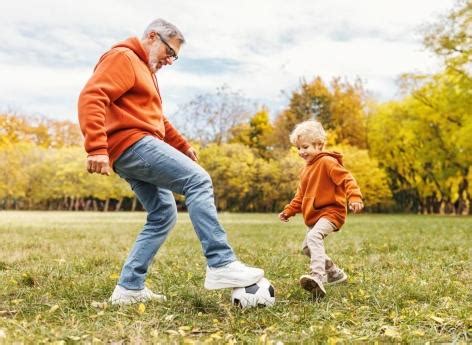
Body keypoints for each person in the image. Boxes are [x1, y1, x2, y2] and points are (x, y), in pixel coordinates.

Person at [78, 18, 263, 305]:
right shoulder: (124, 57)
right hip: (132, 143)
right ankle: (221, 263)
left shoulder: (145, 71)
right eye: (170, 52)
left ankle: (129, 288)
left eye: (175, 56)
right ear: (153, 37)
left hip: (134, 145)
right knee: (198, 180)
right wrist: (96, 148)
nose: (170, 60)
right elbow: (93, 96)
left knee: (163, 214)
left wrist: (182, 146)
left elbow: (156, 119)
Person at [278, 120, 363, 298]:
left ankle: (318, 276)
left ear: (319, 144)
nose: (301, 152)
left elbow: (347, 179)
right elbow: (300, 196)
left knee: (313, 237)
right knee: (307, 248)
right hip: (315, 216)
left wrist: (354, 197)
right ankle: (334, 273)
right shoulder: (305, 170)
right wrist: (289, 210)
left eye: (305, 147)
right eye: (298, 148)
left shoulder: (327, 162)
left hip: (332, 212)